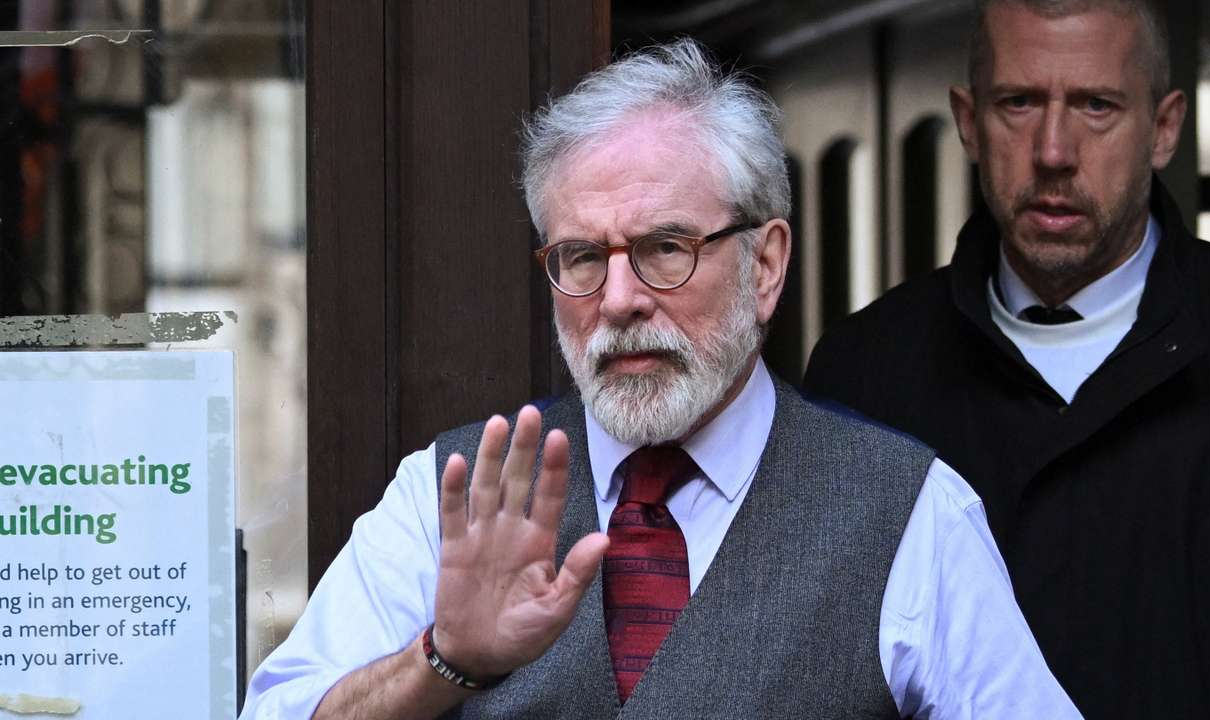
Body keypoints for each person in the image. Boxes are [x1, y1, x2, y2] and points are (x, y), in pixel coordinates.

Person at [242, 39, 1079, 719]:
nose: (619, 300)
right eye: (580, 257)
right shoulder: (447, 497)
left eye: (665, 249)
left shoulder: (910, 515)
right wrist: (442, 661)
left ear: (768, 264)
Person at [805, 1, 1210, 718]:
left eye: (1096, 105)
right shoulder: (864, 373)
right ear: (968, 121)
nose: (1053, 151)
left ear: (1165, 127)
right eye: (1019, 102)